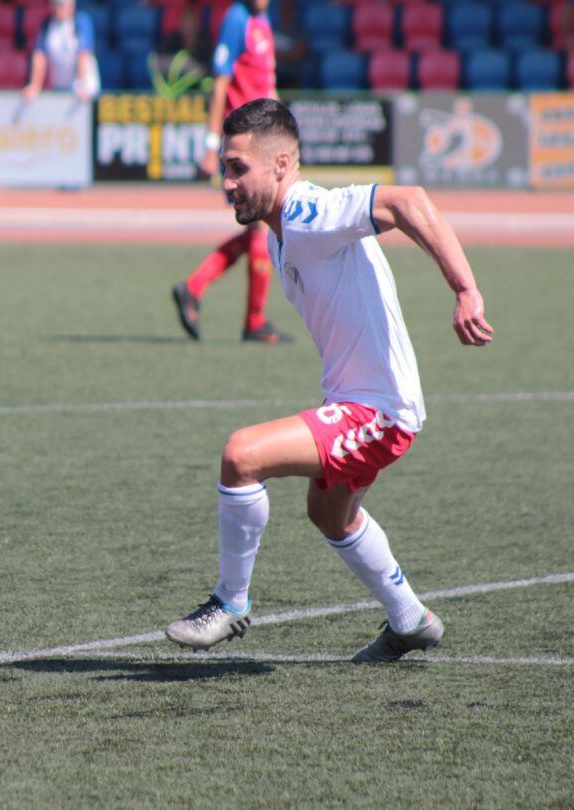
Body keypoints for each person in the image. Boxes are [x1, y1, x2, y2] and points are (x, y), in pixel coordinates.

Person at [165, 98, 494, 663]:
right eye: (225, 167)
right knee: (328, 515)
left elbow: (408, 200)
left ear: (282, 164)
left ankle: (230, 604)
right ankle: (411, 620)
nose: (227, 182)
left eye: (238, 168)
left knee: (241, 455)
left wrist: (465, 289)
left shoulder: (307, 213)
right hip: (360, 403)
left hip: (379, 411)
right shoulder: (279, 234)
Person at [171, 0, 290, 343]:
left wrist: (285, 133)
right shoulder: (237, 20)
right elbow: (221, 83)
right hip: (245, 145)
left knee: (260, 229)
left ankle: (193, 289)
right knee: (260, 229)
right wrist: (212, 145)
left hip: (265, 142)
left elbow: (267, 84)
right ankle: (253, 321)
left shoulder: (261, 20)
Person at [22, 0, 100, 102]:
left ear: (71, 4)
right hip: (60, 85)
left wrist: (82, 85)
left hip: (85, 86)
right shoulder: (46, 25)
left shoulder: (81, 21)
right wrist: (35, 86)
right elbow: (40, 56)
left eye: (62, 5)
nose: (59, 9)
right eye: (56, 5)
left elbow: (83, 55)